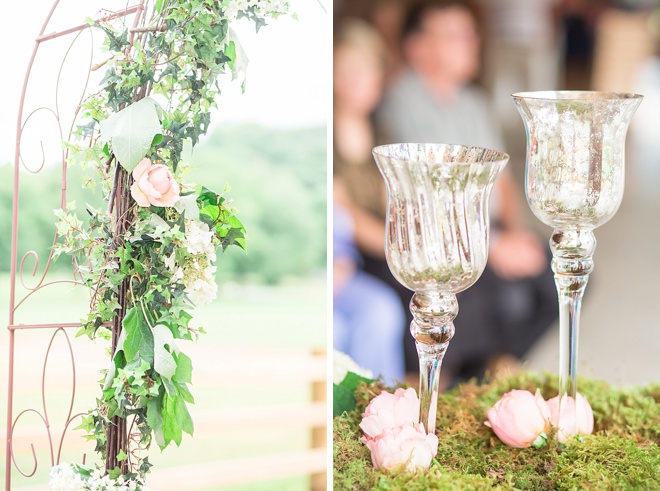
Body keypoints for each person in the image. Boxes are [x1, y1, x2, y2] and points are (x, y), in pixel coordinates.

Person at [377, 0, 558, 387]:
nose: (471, 43)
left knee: (558, 273)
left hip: (486, 227)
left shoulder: (474, 103)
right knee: (491, 296)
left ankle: (493, 369)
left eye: (469, 34)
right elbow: (428, 196)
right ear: (419, 47)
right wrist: (492, 244)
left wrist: (515, 231)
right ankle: (454, 381)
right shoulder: (403, 101)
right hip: (440, 235)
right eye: (456, 36)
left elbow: (503, 181)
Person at [333, 19, 406, 383]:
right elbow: (345, 215)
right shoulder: (327, 137)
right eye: (346, 70)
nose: (357, 80)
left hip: (381, 245)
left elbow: (394, 200)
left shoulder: (382, 130)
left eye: (366, 69)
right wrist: (401, 248)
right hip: (365, 250)